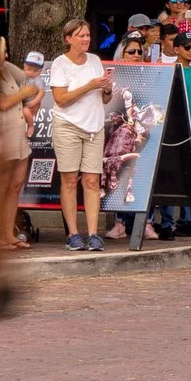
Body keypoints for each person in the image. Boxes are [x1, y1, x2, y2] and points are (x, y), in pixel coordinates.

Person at [48, 20, 112, 252]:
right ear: (68, 39)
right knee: (69, 179)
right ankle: (73, 234)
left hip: (94, 126)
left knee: (92, 180)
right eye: (80, 35)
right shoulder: (60, 63)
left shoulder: (95, 60)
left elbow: (104, 98)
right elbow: (61, 99)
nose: (86, 39)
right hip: (68, 125)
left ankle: (94, 233)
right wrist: (89, 85)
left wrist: (106, 89)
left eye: (87, 35)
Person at [0, 43, 37, 249]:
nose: (7, 54)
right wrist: (23, 93)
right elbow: (1, 103)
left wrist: (31, 97)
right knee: (0, 188)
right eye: (2, 51)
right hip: (2, 134)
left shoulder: (7, 68)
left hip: (19, 134)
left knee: (15, 186)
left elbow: (28, 78)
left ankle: (9, 233)